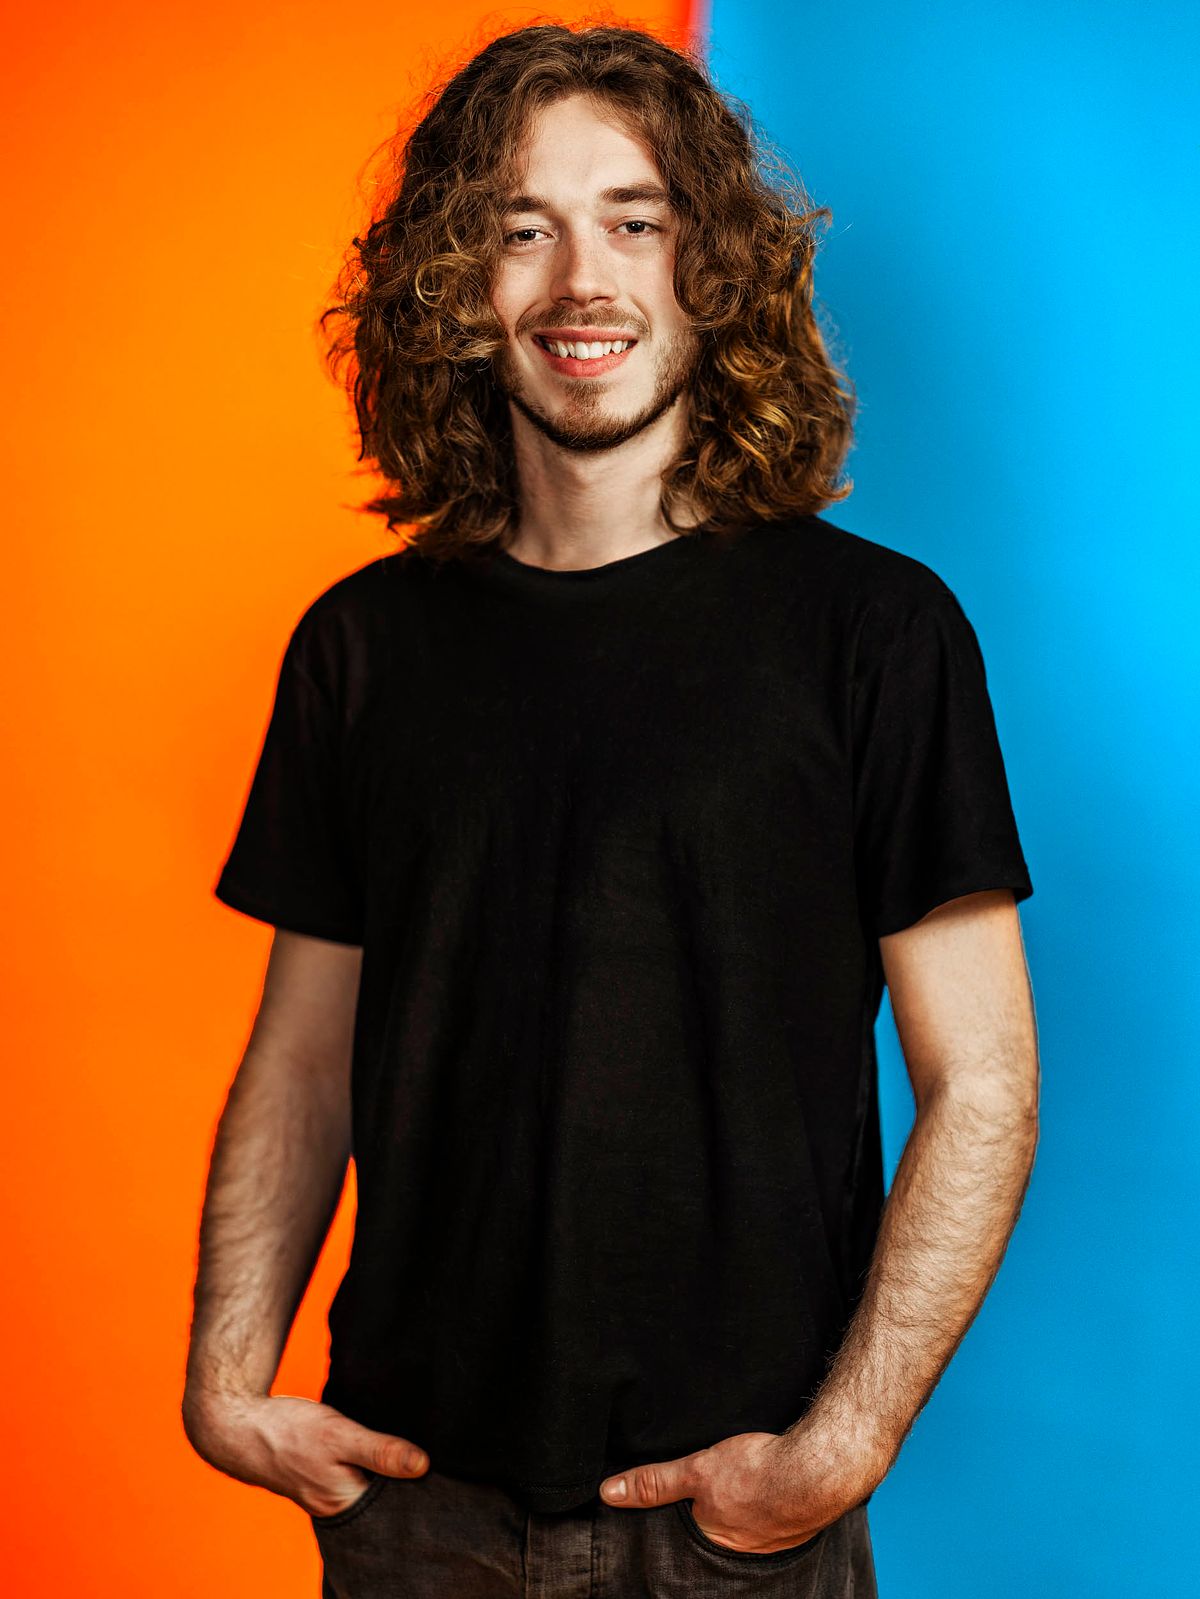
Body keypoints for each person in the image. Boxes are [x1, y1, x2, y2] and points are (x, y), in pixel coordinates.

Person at [182, 21, 1039, 1598]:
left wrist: (837, 1451)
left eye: (636, 223)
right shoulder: (363, 647)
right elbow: (303, 1057)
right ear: (453, 283)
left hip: (732, 1518)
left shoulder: (876, 635)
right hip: (412, 1504)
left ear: (711, 272)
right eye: (523, 227)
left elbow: (981, 1082)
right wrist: (230, 1383)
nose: (585, 278)